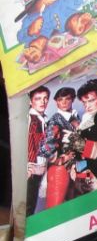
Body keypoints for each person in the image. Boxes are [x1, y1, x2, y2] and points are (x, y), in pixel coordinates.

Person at [38, 87, 80, 209]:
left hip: (76, 169)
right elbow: (46, 148)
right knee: (55, 208)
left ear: (72, 99)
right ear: (56, 102)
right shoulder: (55, 119)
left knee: (71, 208)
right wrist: (59, 160)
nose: (64, 102)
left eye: (67, 99)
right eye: (61, 100)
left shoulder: (76, 118)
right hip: (60, 170)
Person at [26, 85, 50, 216]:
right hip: (31, 171)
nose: (43, 102)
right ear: (30, 101)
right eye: (38, 98)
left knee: (31, 207)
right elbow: (27, 141)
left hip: (39, 170)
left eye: (45, 98)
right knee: (27, 208)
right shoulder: (31, 119)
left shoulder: (43, 119)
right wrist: (28, 166)